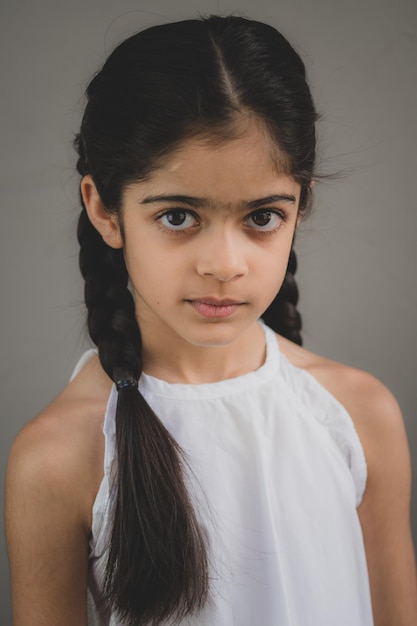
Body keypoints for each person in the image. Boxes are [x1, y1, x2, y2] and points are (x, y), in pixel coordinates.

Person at [5, 14, 417, 626]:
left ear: (300, 204)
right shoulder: (57, 458)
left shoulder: (359, 414)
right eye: (177, 216)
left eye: (261, 217)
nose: (225, 265)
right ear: (105, 210)